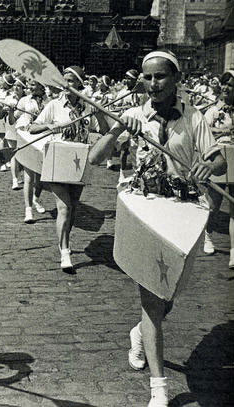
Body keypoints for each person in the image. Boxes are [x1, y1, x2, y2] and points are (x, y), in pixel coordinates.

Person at [89, 50, 225, 407]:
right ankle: (159, 387)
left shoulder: (193, 117)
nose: (153, 84)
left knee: (169, 295)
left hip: (183, 212)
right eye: (147, 78)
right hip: (144, 210)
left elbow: (217, 158)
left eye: (160, 77)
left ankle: (139, 333)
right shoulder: (134, 114)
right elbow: (95, 157)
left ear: (176, 79)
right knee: (152, 299)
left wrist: (207, 168)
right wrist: (119, 128)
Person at [27, 66, 108, 271]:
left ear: (80, 84)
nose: (66, 85)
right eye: (64, 81)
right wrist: (49, 127)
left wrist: (98, 115)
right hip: (57, 159)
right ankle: (64, 251)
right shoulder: (54, 105)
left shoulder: (88, 106)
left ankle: (65, 239)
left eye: (71, 81)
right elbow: (32, 127)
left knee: (72, 207)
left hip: (79, 161)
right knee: (63, 207)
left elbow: (105, 132)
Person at [203, 70, 234, 262]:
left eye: (230, 85)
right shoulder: (213, 110)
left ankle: (233, 250)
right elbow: (204, 134)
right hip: (219, 158)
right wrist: (223, 129)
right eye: (224, 84)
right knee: (214, 205)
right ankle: (207, 235)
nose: (226, 88)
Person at [15, 80, 46, 222]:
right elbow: (13, 118)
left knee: (41, 177)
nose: (30, 87)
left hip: (45, 139)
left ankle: (36, 198)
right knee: (29, 176)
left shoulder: (50, 101)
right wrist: (9, 111)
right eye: (29, 84)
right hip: (29, 139)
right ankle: (28, 210)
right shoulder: (24, 100)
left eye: (33, 84)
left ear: (41, 86)